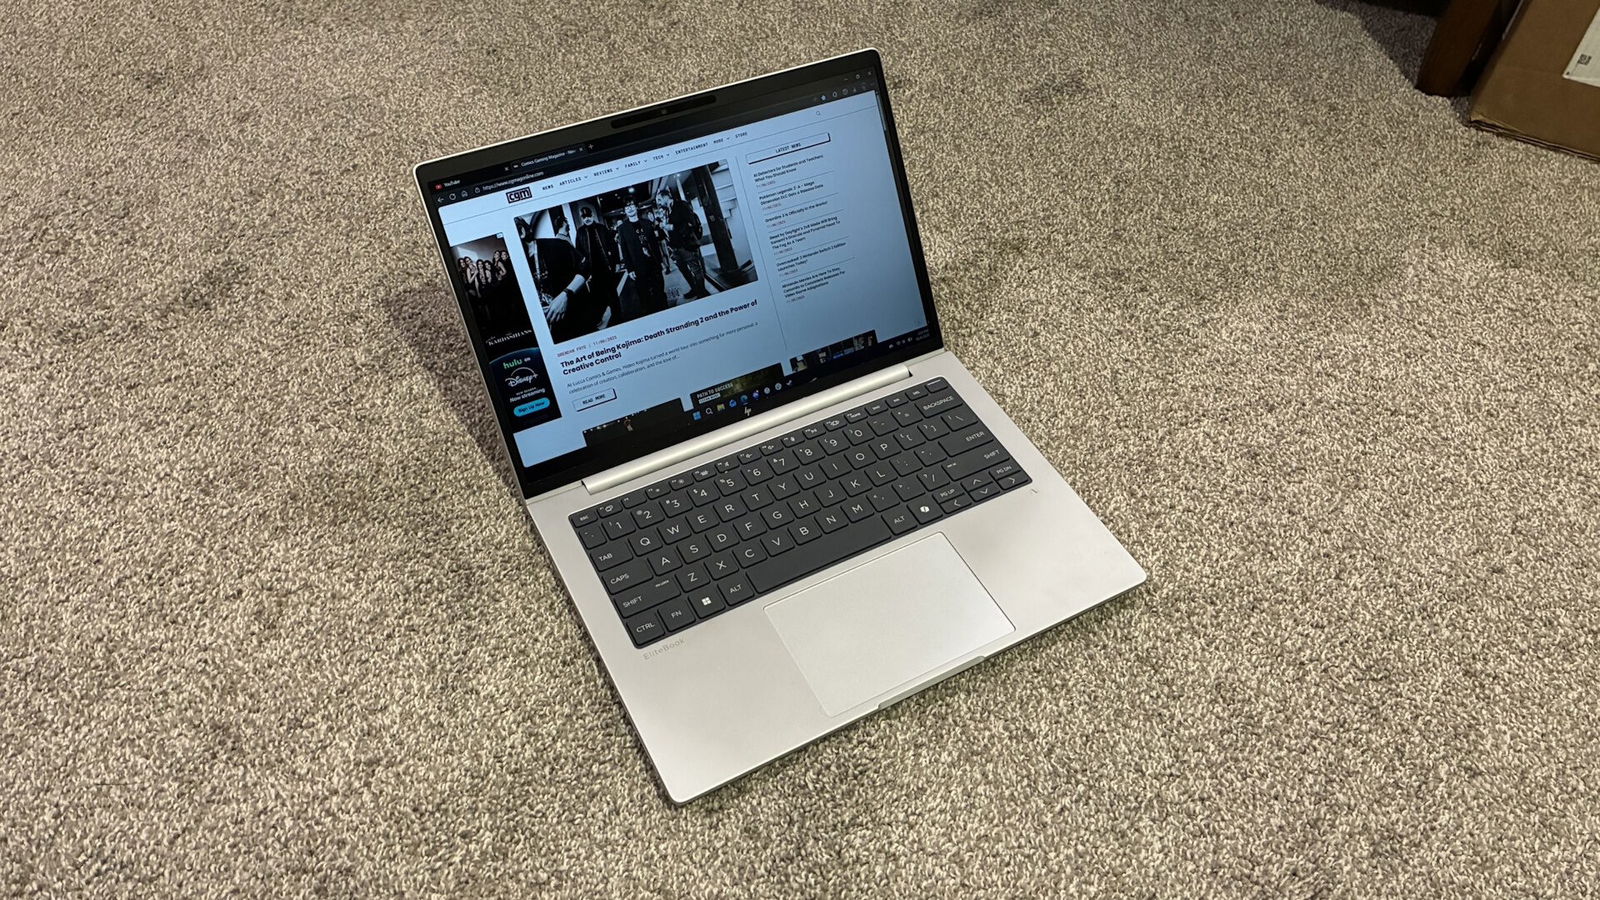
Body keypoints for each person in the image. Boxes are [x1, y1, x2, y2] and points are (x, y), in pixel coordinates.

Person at [528, 214, 597, 343]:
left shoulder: (559, 243)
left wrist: (567, 293)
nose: (568, 224)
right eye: (566, 222)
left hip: (576, 318)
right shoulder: (561, 238)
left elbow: (583, 266)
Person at [613, 199, 668, 316]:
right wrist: (630, 269)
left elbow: (655, 245)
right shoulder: (622, 228)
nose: (630, 209)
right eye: (627, 208)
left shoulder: (647, 223)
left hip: (653, 263)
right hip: (637, 266)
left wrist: (661, 261)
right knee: (644, 294)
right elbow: (624, 250)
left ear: (636, 207)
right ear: (624, 211)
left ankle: (665, 312)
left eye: (632, 205)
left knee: (659, 290)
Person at [658, 188, 709, 300]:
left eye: (659, 200)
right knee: (683, 269)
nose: (659, 203)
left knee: (695, 269)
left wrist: (672, 227)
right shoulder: (667, 210)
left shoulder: (681, 205)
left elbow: (691, 223)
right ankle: (695, 289)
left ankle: (702, 292)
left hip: (687, 244)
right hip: (675, 247)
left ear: (666, 197)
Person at [574, 205, 619, 325]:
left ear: (592, 215)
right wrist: (584, 271)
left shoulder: (601, 228)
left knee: (612, 294)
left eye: (588, 215)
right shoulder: (580, 232)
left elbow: (613, 245)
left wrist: (616, 263)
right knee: (597, 296)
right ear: (582, 218)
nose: (587, 218)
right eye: (584, 217)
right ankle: (599, 318)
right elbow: (578, 252)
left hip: (606, 267)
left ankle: (618, 316)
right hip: (592, 270)